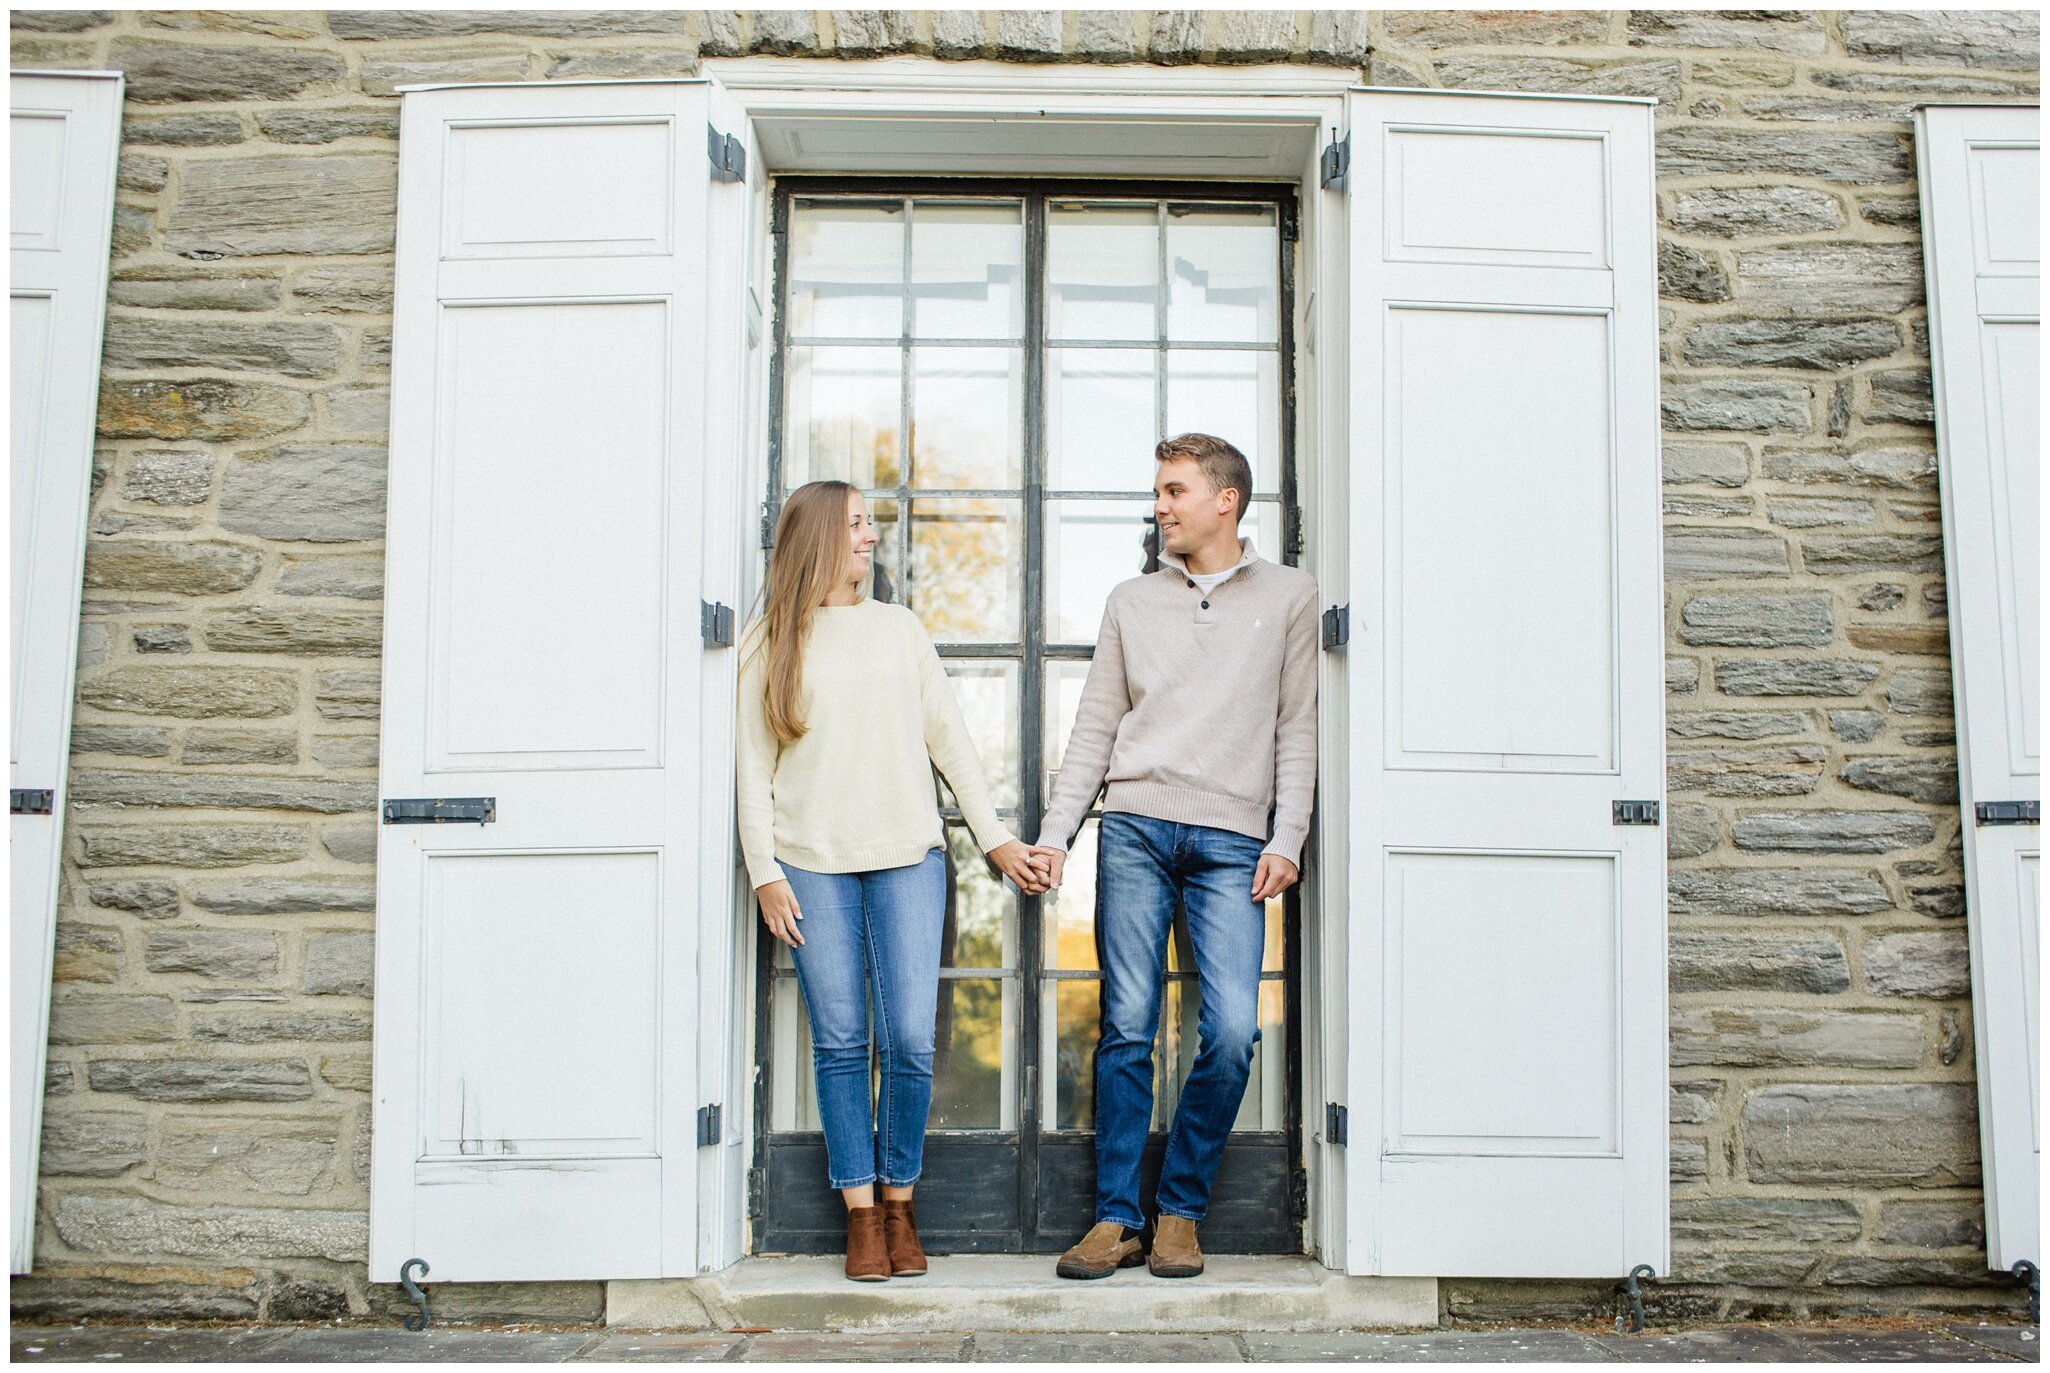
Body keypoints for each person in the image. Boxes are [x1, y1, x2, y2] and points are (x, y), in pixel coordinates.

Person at [736, 479, 1048, 1283]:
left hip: (909, 856)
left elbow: (953, 746)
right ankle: (862, 1214)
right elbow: (751, 770)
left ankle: (902, 1200)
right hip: (810, 862)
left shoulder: (899, 630)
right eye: (857, 524)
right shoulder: (770, 639)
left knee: (910, 1038)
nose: (872, 536)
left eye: (871, 523)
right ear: (818, 540)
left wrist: (997, 840)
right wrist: (765, 871)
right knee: (841, 1042)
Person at [1029, 433, 1318, 1280]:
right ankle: (1117, 1217)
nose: (1160, 506)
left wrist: (1287, 835)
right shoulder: (1131, 601)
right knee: (1126, 1027)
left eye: (1174, 490)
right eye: (1159, 491)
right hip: (1137, 828)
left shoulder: (1291, 597)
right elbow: (1094, 728)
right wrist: (1056, 832)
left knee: (1230, 1031)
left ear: (1226, 499)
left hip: (1235, 841)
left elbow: (1295, 723)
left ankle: (1179, 1208)